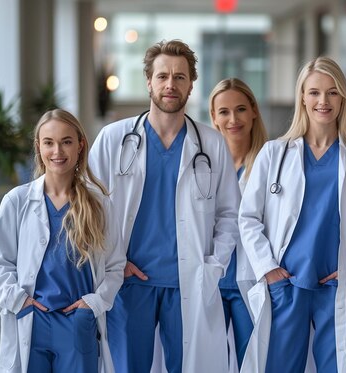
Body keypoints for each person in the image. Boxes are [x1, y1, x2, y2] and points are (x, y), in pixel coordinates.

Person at [88, 39, 240, 373]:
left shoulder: (210, 143)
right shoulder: (114, 139)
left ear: (191, 84)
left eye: (180, 77)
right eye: (162, 76)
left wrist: (213, 265)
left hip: (187, 281)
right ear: (149, 81)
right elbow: (89, 208)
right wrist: (112, 262)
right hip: (129, 282)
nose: (170, 84)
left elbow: (230, 213)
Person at [238, 56, 346, 373]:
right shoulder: (275, 153)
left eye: (332, 92)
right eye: (315, 92)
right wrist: (268, 269)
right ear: (302, 97)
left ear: (343, 97)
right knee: (280, 367)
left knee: (338, 366)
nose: (323, 101)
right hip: (287, 281)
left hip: (338, 283)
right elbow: (248, 218)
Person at [0, 109, 125, 373]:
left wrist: (92, 305)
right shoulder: (17, 201)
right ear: (38, 147)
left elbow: (116, 266)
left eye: (66, 141)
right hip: (32, 320)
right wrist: (20, 302)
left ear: (80, 145)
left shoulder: (99, 204)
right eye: (49, 142)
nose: (57, 151)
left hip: (77, 322)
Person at [209, 77, 268, 370]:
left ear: (254, 111)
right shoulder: (203, 163)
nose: (233, 119)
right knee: (210, 360)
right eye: (224, 111)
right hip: (213, 280)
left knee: (252, 360)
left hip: (251, 279)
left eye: (241, 109)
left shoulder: (269, 162)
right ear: (213, 117)